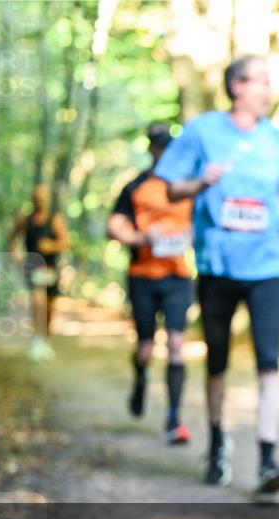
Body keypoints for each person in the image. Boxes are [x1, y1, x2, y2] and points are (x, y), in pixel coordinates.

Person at [155, 55, 279, 491]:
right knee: (217, 359)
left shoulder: (277, 140)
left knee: (269, 361)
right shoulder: (202, 131)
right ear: (237, 86)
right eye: (261, 82)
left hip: (266, 265)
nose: (268, 90)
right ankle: (219, 444)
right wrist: (201, 182)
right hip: (218, 264)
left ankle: (268, 460)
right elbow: (171, 186)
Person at [107, 122, 194, 446]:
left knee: (175, 345)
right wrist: (141, 237)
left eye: (168, 147)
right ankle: (141, 376)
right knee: (146, 348)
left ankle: (173, 418)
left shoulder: (187, 186)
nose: (164, 152)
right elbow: (113, 226)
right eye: (159, 147)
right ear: (151, 149)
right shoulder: (135, 187)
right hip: (142, 276)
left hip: (178, 276)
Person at [7, 184, 70, 362]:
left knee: (49, 307)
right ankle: (36, 340)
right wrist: (16, 258)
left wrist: (51, 246)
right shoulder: (25, 220)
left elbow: (66, 242)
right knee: (37, 302)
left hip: (50, 270)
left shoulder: (54, 220)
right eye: (36, 197)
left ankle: (45, 341)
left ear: (47, 200)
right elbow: (11, 240)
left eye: (42, 197)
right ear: (32, 199)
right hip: (32, 268)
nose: (39, 200)